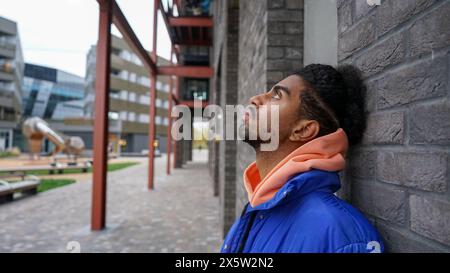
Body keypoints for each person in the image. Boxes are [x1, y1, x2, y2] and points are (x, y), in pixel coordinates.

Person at [221, 64, 384, 253]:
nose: (255, 99)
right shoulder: (256, 210)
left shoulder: (344, 238)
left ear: (303, 130)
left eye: (276, 96)